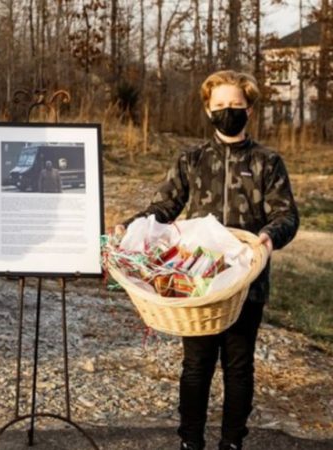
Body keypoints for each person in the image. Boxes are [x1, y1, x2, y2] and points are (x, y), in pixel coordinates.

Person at [116, 70, 299, 450]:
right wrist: (129, 227)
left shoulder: (268, 161)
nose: (227, 111)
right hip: (197, 283)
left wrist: (269, 237)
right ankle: (190, 441)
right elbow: (164, 207)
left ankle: (232, 442)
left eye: (235, 105)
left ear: (249, 108)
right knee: (196, 366)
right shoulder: (192, 159)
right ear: (207, 109)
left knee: (239, 366)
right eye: (219, 106)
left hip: (246, 283)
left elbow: (286, 215)